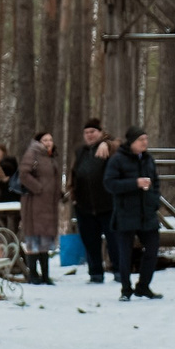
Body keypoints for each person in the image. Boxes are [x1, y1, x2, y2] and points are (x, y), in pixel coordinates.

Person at [102, 128, 163, 300]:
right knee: (125, 253)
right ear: (131, 142)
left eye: (146, 138)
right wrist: (134, 183)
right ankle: (125, 289)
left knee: (152, 249)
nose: (144, 142)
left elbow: (156, 182)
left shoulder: (148, 159)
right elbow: (109, 184)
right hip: (126, 212)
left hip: (147, 213)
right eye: (140, 139)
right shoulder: (117, 160)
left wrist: (154, 200)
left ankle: (143, 286)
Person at [70, 118, 113, 284]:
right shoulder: (80, 151)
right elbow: (73, 172)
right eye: (86, 132)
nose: (89, 135)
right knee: (90, 242)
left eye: (93, 132)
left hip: (107, 204)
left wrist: (106, 143)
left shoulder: (109, 147)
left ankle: (117, 271)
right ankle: (95, 273)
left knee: (114, 241)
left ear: (100, 133)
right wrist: (72, 195)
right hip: (84, 205)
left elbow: (118, 143)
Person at [16, 129, 61, 284]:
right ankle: (33, 274)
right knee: (34, 238)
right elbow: (24, 173)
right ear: (39, 142)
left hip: (48, 204)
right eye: (45, 140)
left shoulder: (51, 157)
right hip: (34, 202)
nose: (48, 143)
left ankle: (45, 275)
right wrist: (38, 188)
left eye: (50, 140)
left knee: (45, 239)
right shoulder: (32, 153)